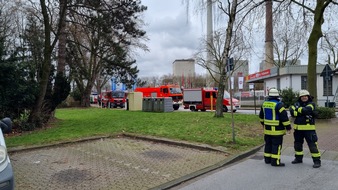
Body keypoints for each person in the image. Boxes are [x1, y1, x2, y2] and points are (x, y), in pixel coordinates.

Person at [259, 88, 291, 167]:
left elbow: (261, 116)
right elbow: (284, 117)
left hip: (267, 130)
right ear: (277, 96)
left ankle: (267, 159)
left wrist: (263, 124)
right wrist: (288, 127)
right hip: (277, 130)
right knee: (276, 145)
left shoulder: (264, 104)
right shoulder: (279, 105)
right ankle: (275, 162)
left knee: (268, 144)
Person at [289, 89, 321, 168]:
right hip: (298, 130)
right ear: (300, 97)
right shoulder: (296, 104)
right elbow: (292, 112)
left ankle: (317, 161)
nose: (304, 97)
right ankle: (298, 158)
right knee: (297, 145)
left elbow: (307, 110)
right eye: (302, 96)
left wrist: (298, 110)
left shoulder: (311, 104)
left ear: (308, 97)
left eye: (305, 96)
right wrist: (302, 112)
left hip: (309, 130)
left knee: (312, 145)